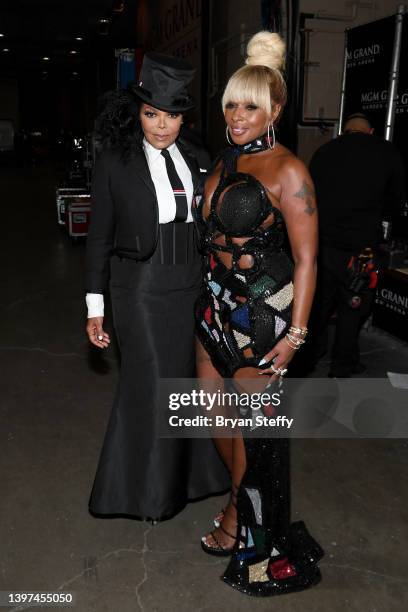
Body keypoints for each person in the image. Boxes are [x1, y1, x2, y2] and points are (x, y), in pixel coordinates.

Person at [193, 32, 323, 595]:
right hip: (215, 308)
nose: (237, 115)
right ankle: (237, 499)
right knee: (210, 414)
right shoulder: (226, 159)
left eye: (251, 105)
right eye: (230, 103)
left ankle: (238, 518)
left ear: (275, 109)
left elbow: (306, 257)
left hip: (262, 320)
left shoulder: (289, 169)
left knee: (254, 432)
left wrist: (295, 334)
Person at [85, 53, 229, 521]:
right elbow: (99, 237)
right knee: (150, 383)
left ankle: (192, 478)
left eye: (172, 115)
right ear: (138, 111)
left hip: (191, 283)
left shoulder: (198, 156)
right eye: (152, 114)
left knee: (187, 382)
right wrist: (94, 305)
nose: (162, 126)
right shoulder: (114, 161)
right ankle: (144, 492)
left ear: (183, 117)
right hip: (141, 288)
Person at [308, 112, 406, 377]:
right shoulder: (386, 151)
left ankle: (311, 355)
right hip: (361, 248)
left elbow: (308, 197)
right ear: (371, 131)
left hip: (323, 244)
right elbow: (396, 201)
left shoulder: (324, 152)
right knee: (353, 305)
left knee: (320, 304)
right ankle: (343, 364)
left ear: (344, 130)